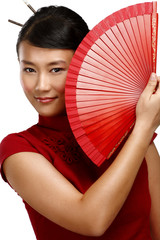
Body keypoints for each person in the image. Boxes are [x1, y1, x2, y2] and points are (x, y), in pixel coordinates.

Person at [0, 5, 160, 240]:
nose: (41, 85)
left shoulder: (133, 133)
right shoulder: (19, 149)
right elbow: (92, 221)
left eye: (56, 69)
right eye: (29, 69)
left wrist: (139, 129)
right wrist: (144, 128)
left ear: (85, 65)